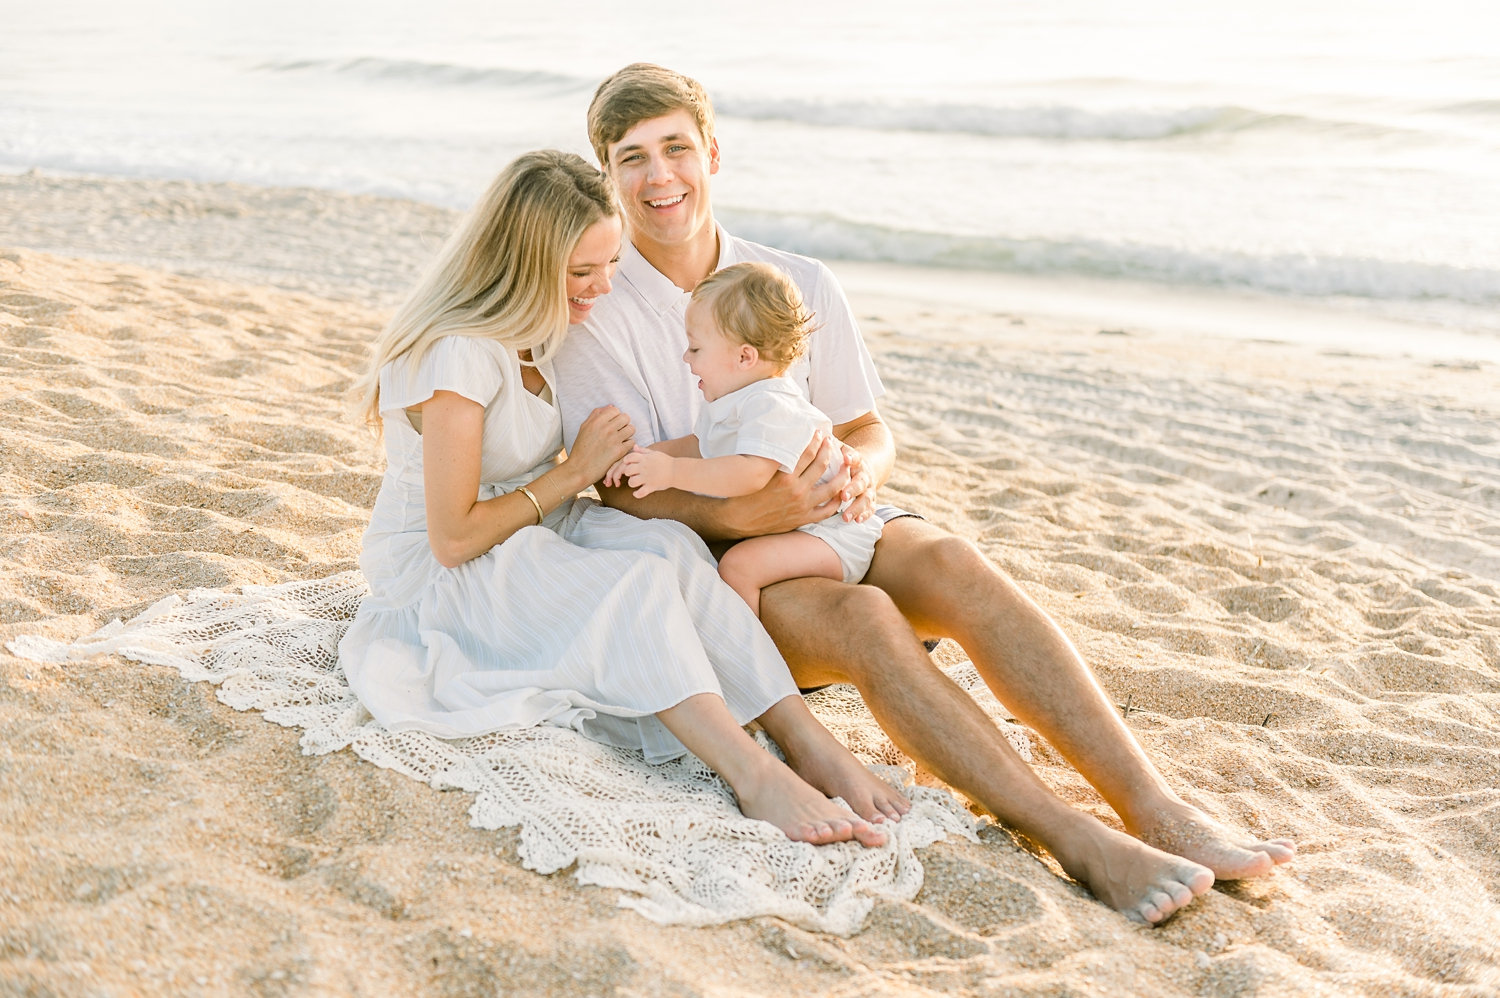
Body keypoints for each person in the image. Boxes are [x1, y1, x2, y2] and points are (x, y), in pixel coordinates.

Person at [554, 64, 1296, 924]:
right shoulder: (598, 310)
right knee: (867, 620)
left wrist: (860, 471)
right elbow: (623, 494)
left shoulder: (795, 283)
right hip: (720, 568)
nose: (658, 178)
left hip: (836, 520)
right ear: (607, 176)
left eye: (676, 148)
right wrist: (747, 512)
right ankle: (1078, 840)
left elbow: (869, 427)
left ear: (713, 151)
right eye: (631, 158)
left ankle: (1152, 806)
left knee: (952, 558)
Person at [338, 149, 908, 848]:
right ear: (522, 263)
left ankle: (804, 735)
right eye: (582, 272)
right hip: (442, 567)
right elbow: (452, 536)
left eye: (609, 265)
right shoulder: (459, 353)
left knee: (670, 547)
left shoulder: (543, 334)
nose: (602, 288)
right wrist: (575, 472)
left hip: (524, 524)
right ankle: (752, 772)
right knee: (633, 582)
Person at [605, 261, 882, 616]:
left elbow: (748, 475)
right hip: (804, 527)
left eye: (696, 349)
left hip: (837, 533)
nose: (685, 358)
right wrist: (638, 459)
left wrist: (671, 473)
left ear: (744, 357)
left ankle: (751, 653)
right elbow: (697, 445)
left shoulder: (772, 403)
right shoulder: (731, 400)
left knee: (738, 567)